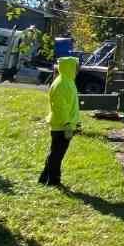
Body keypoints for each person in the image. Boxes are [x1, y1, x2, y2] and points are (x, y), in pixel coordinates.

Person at [39, 55, 80, 187]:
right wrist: (67, 123)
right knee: (57, 155)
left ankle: (44, 177)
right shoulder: (62, 84)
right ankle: (53, 180)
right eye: (75, 66)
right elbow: (60, 107)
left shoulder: (66, 81)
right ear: (69, 67)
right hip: (62, 126)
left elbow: (69, 105)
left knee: (55, 153)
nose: (77, 69)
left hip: (64, 124)